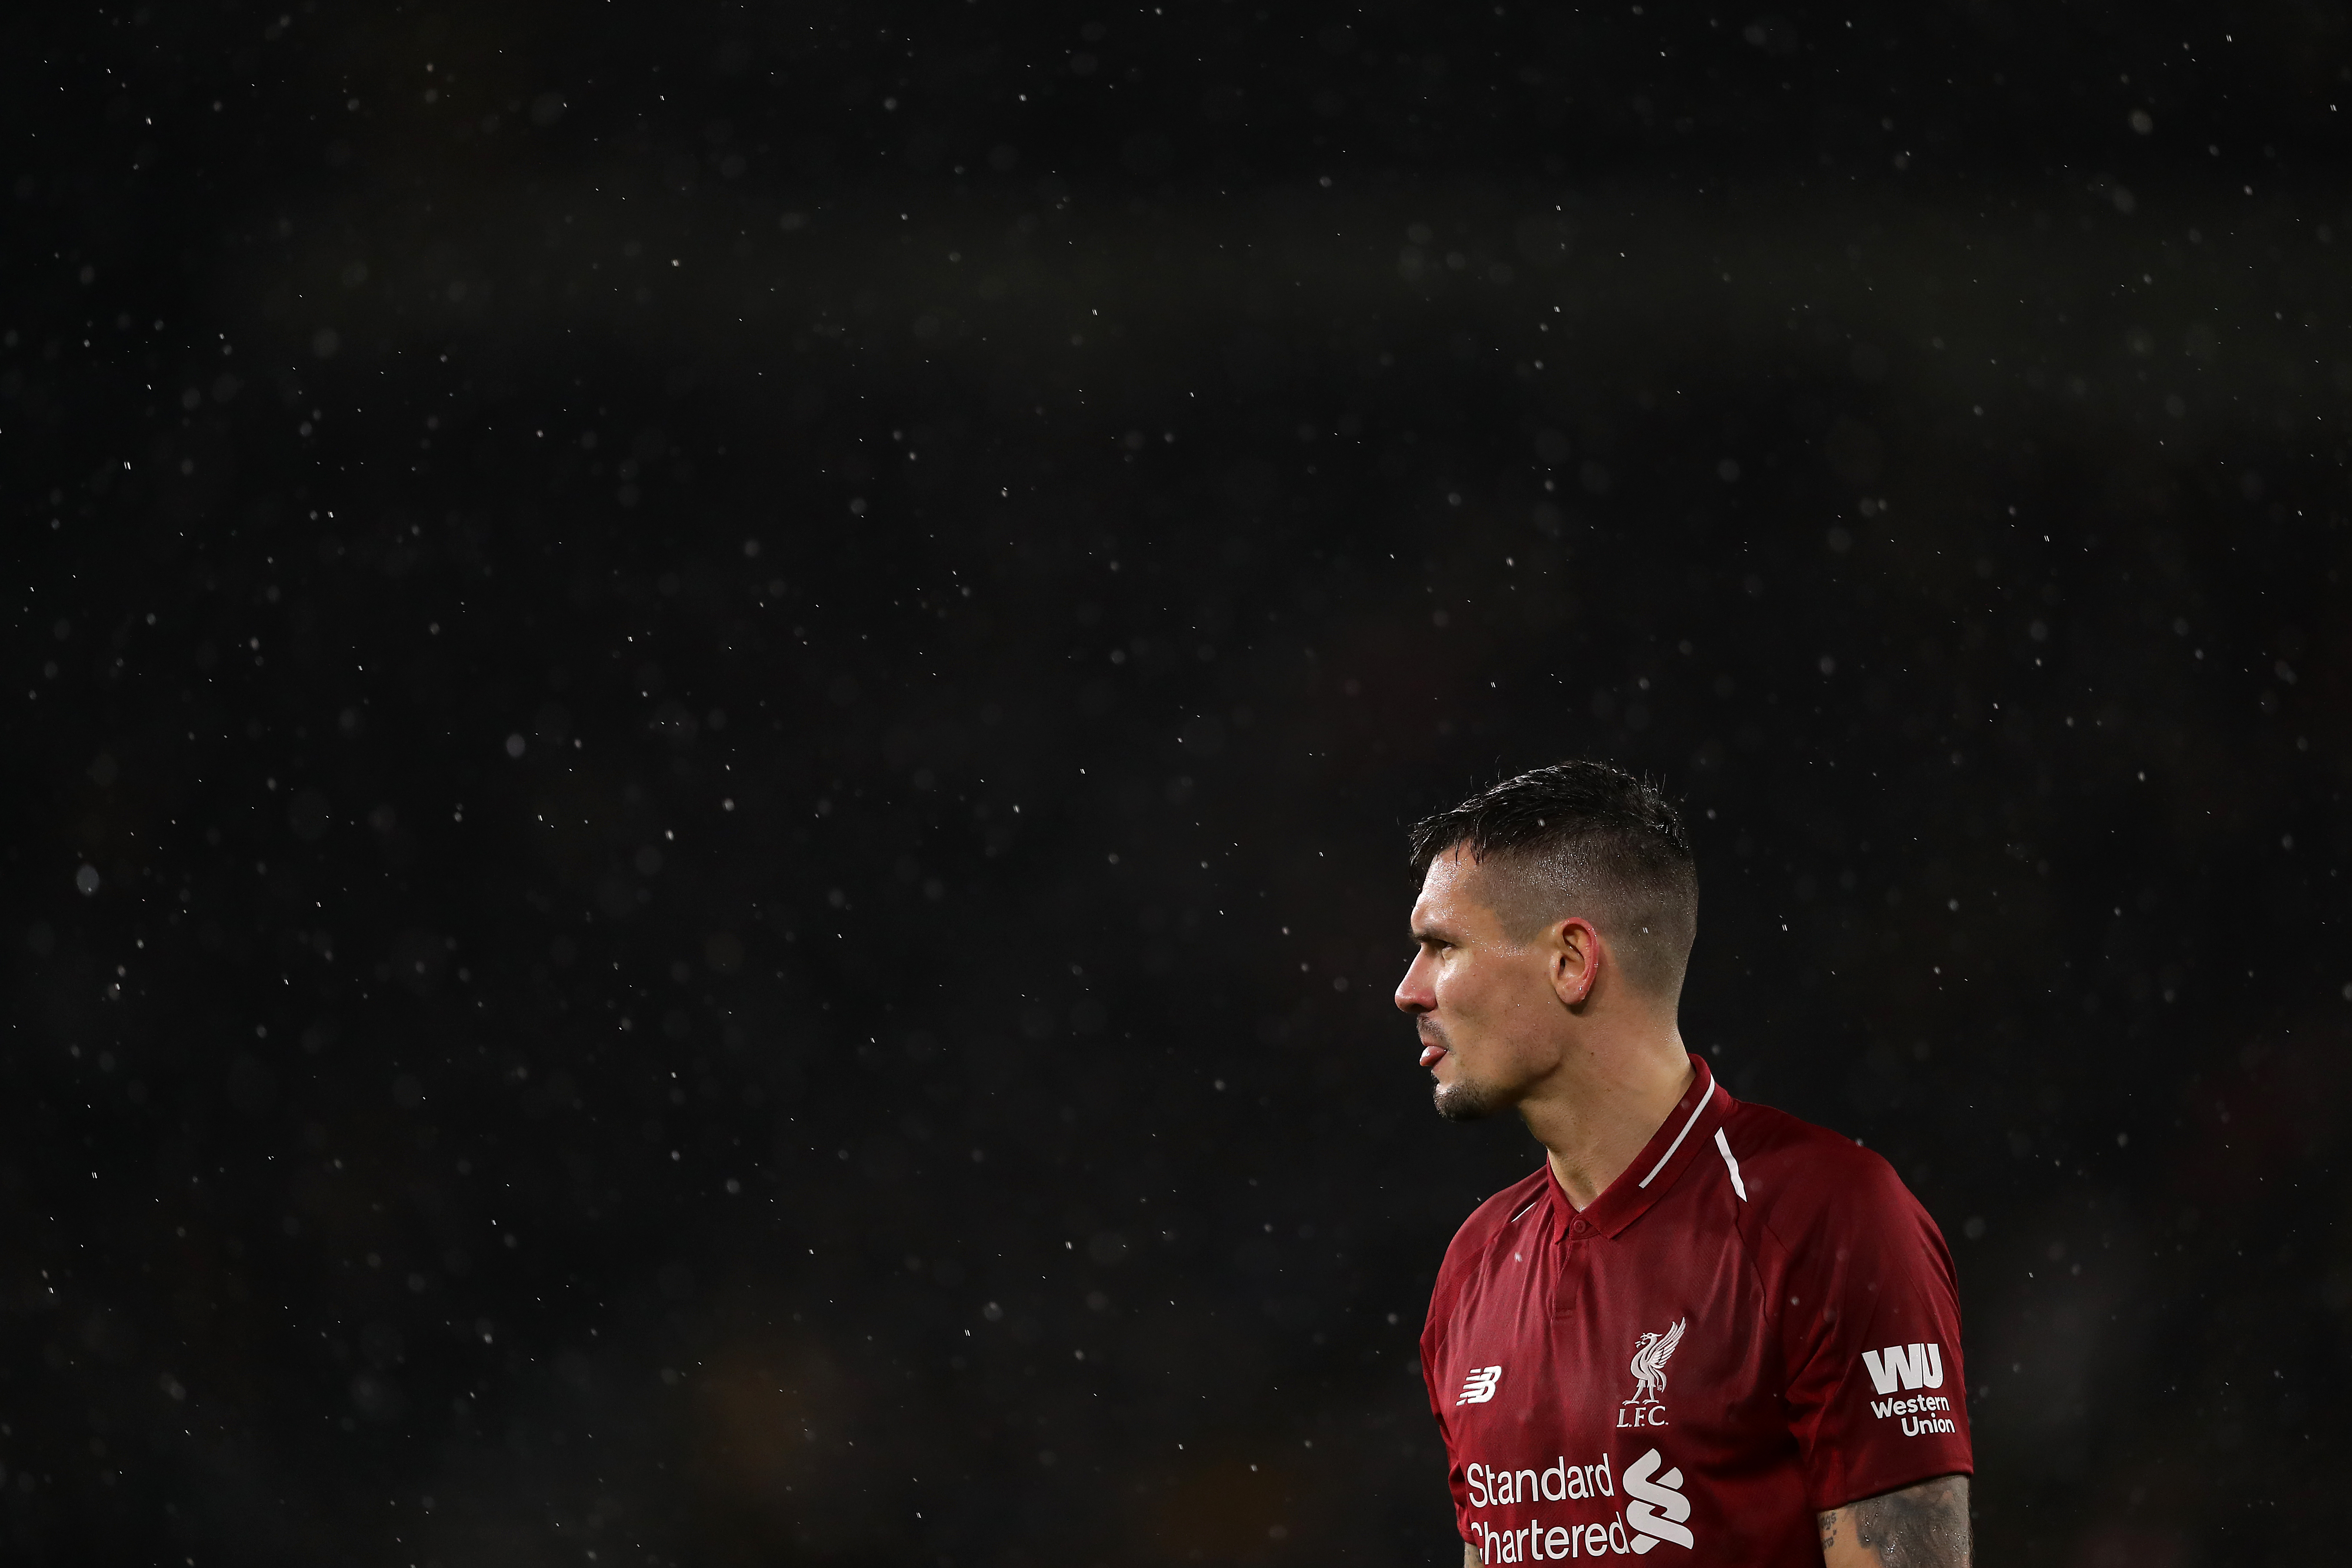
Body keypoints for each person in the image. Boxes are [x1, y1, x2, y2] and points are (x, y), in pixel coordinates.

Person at [1395, 762, 1972, 1567]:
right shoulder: (1476, 1264)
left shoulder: (1825, 1216)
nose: (1408, 990)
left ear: (1571, 961)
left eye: (1441, 946)